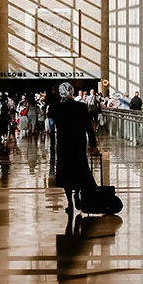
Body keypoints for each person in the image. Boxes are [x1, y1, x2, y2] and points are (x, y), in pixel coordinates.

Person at [53, 82, 98, 217]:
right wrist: (93, 144)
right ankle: (77, 195)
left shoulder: (57, 108)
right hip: (78, 143)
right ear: (73, 92)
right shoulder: (81, 107)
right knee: (79, 169)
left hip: (64, 144)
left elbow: (55, 124)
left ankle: (69, 203)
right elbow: (89, 127)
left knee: (66, 171)